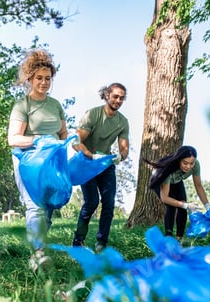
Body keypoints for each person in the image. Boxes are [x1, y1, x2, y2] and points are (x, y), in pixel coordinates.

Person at [7, 48, 68, 271]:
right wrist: (39, 140)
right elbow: (12, 139)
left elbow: (63, 134)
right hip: (28, 161)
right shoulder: (23, 105)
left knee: (50, 207)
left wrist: (71, 144)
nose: (43, 82)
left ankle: (37, 245)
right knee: (35, 206)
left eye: (47, 79)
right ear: (30, 78)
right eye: (39, 78)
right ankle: (38, 255)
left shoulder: (55, 105)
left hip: (52, 163)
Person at [71, 83, 130, 252]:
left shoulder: (122, 122)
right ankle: (78, 241)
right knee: (91, 202)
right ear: (107, 95)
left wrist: (120, 156)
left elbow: (124, 146)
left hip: (105, 163)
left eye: (121, 98)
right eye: (115, 96)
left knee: (109, 203)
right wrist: (90, 155)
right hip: (87, 163)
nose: (118, 100)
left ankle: (101, 243)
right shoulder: (93, 114)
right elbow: (76, 141)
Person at [145, 146, 210, 240]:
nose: (188, 167)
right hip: (161, 180)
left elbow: (198, 185)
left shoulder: (196, 165)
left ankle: (179, 239)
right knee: (172, 206)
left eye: (191, 163)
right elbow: (165, 198)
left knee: (182, 208)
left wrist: (208, 207)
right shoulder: (168, 170)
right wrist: (186, 205)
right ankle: (169, 238)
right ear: (179, 160)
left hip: (176, 181)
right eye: (185, 163)